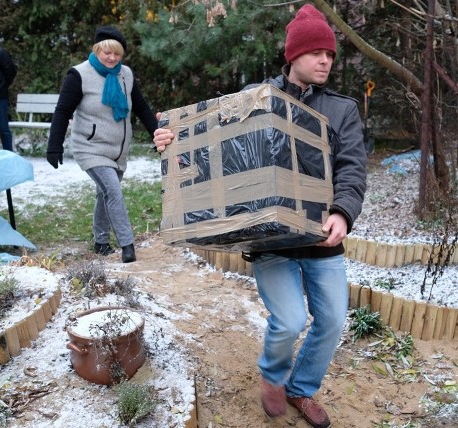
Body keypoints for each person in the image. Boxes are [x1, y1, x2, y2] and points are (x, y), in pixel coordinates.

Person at [153, 4, 367, 427]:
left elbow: (353, 168)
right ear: (293, 56)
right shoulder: (256, 99)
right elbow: (215, 144)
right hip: (270, 238)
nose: (325, 61)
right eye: (316, 53)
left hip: (322, 238)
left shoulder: (341, 110)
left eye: (330, 55)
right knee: (288, 321)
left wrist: (343, 212)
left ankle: (301, 389)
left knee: (332, 321)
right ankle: (273, 376)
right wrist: (171, 140)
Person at [46, 26, 158, 263]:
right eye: (106, 52)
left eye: (117, 54)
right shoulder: (79, 75)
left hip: (118, 151)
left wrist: (156, 135)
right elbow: (62, 110)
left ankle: (101, 242)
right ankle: (127, 245)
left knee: (104, 193)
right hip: (90, 148)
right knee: (113, 192)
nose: (111, 58)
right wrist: (54, 145)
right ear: (96, 50)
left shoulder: (125, 74)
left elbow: (141, 107)